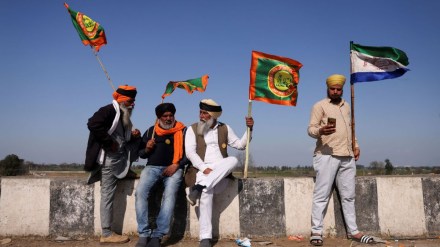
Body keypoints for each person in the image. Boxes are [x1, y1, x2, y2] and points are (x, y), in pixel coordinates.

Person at [307, 74, 374, 246]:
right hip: (326, 155)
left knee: (349, 196)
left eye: (338, 89)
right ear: (327, 89)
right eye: (333, 89)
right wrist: (321, 130)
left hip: (347, 155)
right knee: (321, 195)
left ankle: (353, 231)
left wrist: (356, 145)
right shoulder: (319, 106)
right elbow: (310, 129)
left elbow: (351, 128)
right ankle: (316, 231)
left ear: (342, 89)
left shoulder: (346, 106)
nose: (336, 92)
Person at [185, 99, 254, 247]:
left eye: (205, 113)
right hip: (201, 171)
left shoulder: (225, 128)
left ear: (213, 115)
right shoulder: (192, 129)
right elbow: (190, 153)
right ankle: (205, 238)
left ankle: (198, 188)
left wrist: (249, 129)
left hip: (220, 173)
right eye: (200, 112)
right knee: (206, 193)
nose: (201, 116)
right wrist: (204, 168)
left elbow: (240, 145)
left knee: (233, 160)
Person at [85, 85, 141, 244]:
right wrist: (109, 143)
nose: (133, 104)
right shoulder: (109, 110)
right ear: (122, 100)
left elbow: (122, 138)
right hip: (109, 162)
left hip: (119, 160)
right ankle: (107, 233)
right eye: (130, 101)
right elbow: (93, 124)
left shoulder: (122, 114)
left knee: (138, 141)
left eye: (134, 101)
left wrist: (133, 135)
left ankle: (126, 170)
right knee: (107, 196)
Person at [135, 103, 187, 247]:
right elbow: (141, 154)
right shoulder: (151, 131)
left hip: (174, 169)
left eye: (171, 115)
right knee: (140, 193)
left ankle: (157, 235)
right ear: (159, 117)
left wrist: (177, 165)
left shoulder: (182, 131)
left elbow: (189, 154)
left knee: (170, 195)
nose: (168, 118)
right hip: (152, 168)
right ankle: (144, 234)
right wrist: (147, 148)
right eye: (165, 116)